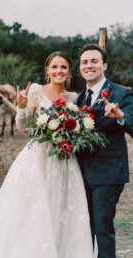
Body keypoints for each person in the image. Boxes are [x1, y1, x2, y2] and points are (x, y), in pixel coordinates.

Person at [0, 52, 94, 258]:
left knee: (62, 207)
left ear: (69, 72)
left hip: (64, 159)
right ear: (47, 70)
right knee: (33, 207)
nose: (59, 71)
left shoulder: (75, 97)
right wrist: (21, 107)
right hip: (37, 158)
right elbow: (22, 127)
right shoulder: (36, 91)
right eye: (55, 67)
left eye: (64, 67)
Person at [76, 44, 133, 258]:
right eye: (84, 62)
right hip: (81, 173)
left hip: (108, 174)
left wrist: (120, 117)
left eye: (94, 61)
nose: (89, 65)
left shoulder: (121, 93)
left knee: (102, 227)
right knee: (85, 227)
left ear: (104, 65)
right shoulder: (80, 98)